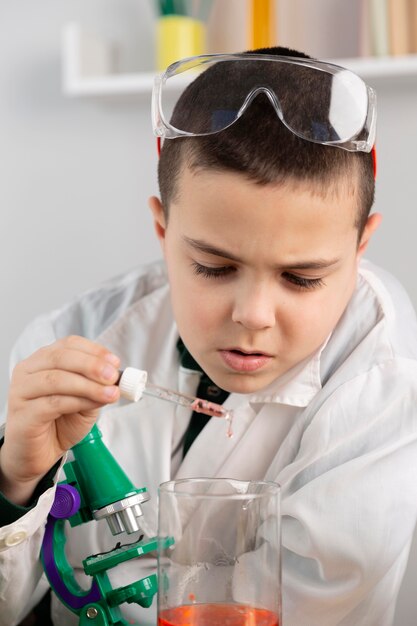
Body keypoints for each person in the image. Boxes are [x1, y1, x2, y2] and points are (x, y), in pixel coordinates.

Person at [1, 45, 417, 626]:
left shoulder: (384, 382)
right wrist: (15, 483)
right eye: (214, 268)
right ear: (162, 228)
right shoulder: (67, 339)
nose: (253, 314)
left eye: (302, 278)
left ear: (360, 247)